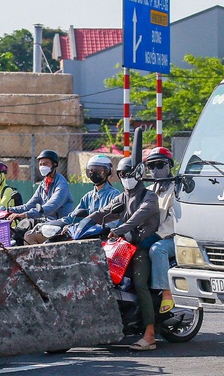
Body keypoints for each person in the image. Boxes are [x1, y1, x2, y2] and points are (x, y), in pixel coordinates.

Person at [89, 158, 161, 350]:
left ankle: (150, 334)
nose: (126, 178)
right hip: (124, 246)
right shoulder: (123, 197)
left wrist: (119, 230)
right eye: (122, 175)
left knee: (139, 284)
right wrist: (75, 225)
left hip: (143, 246)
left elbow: (138, 218)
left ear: (138, 174)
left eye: (129, 174)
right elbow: (102, 212)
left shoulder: (149, 196)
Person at [23, 155, 118, 245]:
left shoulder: (114, 195)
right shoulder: (88, 197)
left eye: (98, 170)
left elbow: (113, 223)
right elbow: (72, 217)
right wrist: (50, 224)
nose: (93, 173)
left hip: (101, 238)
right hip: (79, 235)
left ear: (108, 172)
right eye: (91, 170)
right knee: (30, 236)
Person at [145, 147, 178, 316]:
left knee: (157, 250)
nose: (155, 170)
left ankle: (167, 293)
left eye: (159, 165)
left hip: (173, 238)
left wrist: (157, 235)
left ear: (168, 165)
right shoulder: (149, 190)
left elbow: (174, 219)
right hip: (151, 235)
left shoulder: (177, 188)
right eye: (151, 166)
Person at [4, 150, 74, 221]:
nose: (42, 167)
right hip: (47, 222)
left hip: (61, 224)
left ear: (55, 164)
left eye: (46, 164)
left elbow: (50, 207)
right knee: (21, 228)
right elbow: (29, 206)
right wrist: (8, 210)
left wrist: (25, 215)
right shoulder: (44, 184)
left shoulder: (61, 184)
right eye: (41, 164)